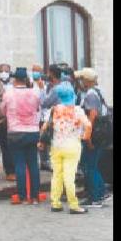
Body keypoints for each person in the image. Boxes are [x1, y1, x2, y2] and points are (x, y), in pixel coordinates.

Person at [39, 82, 91, 214]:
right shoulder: (77, 110)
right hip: (72, 145)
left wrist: (42, 141)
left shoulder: (54, 109)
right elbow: (88, 126)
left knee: (57, 175)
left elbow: (44, 127)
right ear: (72, 94)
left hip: (56, 146)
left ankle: (55, 203)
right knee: (69, 176)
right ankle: (73, 205)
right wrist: (85, 137)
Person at [0, 68, 41, 204]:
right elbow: (37, 109)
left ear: (14, 79)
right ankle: (35, 196)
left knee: (19, 164)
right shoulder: (35, 93)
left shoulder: (8, 93)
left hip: (15, 131)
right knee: (33, 164)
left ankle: (22, 196)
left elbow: (3, 110)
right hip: (32, 131)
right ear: (26, 79)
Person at [75, 68, 110, 208]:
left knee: (89, 165)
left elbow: (93, 115)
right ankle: (101, 193)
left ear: (87, 80)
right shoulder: (98, 91)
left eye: (82, 79)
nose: (80, 82)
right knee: (93, 164)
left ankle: (95, 198)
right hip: (100, 134)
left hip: (93, 134)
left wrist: (87, 136)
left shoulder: (90, 94)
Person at [0, 63, 16, 182]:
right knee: (4, 146)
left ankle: (14, 169)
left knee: (12, 146)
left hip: (12, 120)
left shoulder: (13, 85)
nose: (3, 73)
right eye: (1, 71)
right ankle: (9, 171)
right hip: (1, 121)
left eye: (6, 71)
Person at [32, 64, 52, 171]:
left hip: (43, 116)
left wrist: (42, 89)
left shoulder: (45, 84)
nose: (35, 72)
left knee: (43, 139)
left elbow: (45, 101)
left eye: (38, 71)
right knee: (35, 140)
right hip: (33, 116)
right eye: (34, 70)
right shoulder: (29, 83)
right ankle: (35, 162)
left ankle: (44, 161)